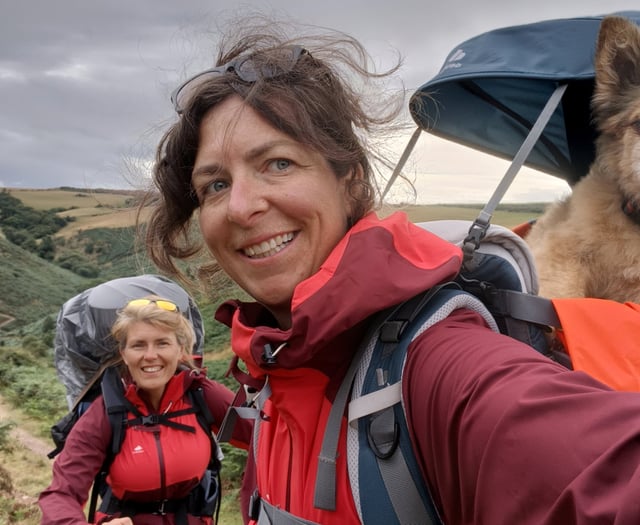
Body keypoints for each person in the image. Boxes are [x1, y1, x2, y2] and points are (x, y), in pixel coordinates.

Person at [140, 16, 640, 525]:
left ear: (351, 179)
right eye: (215, 185)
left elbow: (606, 473)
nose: (242, 206)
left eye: (278, 163)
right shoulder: (272, 363)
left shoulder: (439, 363)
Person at [39, 296, 252, 524]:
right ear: (124, 354)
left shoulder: (201, 395)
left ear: (181, 350)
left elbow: (266, 436)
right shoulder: (108, 411)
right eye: (138, 345)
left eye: (162, 343)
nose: (150, 355)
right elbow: (61, 493)